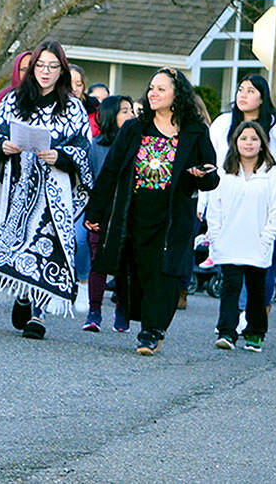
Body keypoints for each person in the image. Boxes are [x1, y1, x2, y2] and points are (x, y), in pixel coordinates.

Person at [85, 67, 219, 355]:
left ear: (176, 94)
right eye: (151, 88)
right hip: (134, 212)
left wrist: (201, 175)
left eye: (161, 89)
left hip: (173, 216)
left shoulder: (195, 131)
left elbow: (211, 174)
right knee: (139, 270)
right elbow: (110, 171)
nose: (153, 93)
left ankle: (152, 330)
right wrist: (94, 212)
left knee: (166, 273)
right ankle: (147, 324)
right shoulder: (135, 128)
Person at [0, 40, 95, 339]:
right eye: (40, 65)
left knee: (47, 244)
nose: (46, 72)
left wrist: (60, 157)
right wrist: (3, 146)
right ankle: (22, 294)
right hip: (16, 185)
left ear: (61, 70)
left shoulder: (73, 107)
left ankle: (38, 314)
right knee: (15, 241)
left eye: (53, 66)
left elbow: (83, 150)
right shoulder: (13, 101)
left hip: (53, 190)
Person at [204, 75, 276, 325]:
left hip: (261, 204)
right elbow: (210, 165)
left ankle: (253, 318)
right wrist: (205, 203)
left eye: (251, 90)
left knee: (258, 268)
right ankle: (229, 323)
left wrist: (273, 212)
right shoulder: (223, 124)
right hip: (228, 201)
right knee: (231, 270)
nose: (243, 95)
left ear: (262, 97)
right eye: (240, 89)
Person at [208, 121, 276, 352]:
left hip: (258, 242)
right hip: (229, 240)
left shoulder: (271, 174)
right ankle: (227, 332)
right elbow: (215, 207)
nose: (248, 143)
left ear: (262, 144)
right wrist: (216, 237)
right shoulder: (224, 172)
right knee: (230, 287)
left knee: (256, 288)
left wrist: (266, 238)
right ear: (235, 142)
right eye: (243, 138)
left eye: (253, 139)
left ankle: (255, 333)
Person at [84, 94, 134, 332]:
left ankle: (122, 311)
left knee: (125, 263)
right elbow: (90, 182)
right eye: (124, 110)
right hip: (102, 213)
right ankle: (94, 312)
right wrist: (92, 214)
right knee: (98, 261)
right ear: (110, 115)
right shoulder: (96, 146)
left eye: (131, 110)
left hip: (128, 213)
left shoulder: (138, 144)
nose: (131, 114)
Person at [0, 51, 32, 137]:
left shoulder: (48, 98)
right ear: (17, 71)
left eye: (33, 69)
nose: (29, 74)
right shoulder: (2, 98)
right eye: (24, 70)